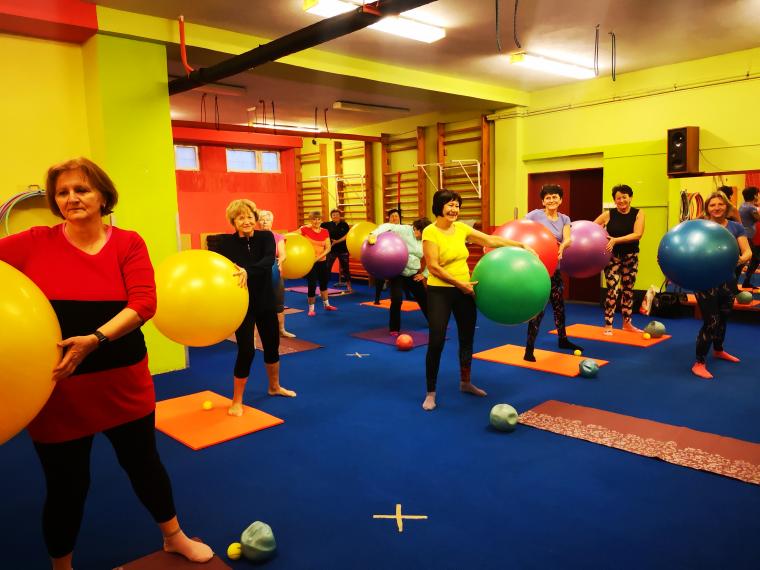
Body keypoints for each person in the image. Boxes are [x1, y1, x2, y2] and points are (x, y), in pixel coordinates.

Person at [0, 158, 213, 569]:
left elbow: (144, 302)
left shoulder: (127, 243)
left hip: (123, 383)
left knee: (144, 465)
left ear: (102, 196)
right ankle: (62, 566)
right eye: (63, 192)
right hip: (60, 390)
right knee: (67, 486)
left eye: (81, 189)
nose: (72, 198)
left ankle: (174, 537)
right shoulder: (34, 242)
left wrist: (95, 339)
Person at [422, 189, 536, 411]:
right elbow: (433, 267)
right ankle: (430, 392)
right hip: (440, 292)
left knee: (467, 337)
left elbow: (490, 239)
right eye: (450, 205)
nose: (454, 209)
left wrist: (521, 245)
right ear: (439, 206)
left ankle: (465, 382)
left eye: (457, 205)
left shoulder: (461, 228)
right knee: (436, 341)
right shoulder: (430, 231)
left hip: (464, 290)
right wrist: (459, 283)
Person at [214, 200, 296, 416]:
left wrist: (246, 271)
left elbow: (269, 261)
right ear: (233, 221)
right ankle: (237, 400)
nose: (247, 221)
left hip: (265, 300)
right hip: (242, 303)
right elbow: (222, 270)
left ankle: (274, 387)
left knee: (272, 345)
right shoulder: (226, 244)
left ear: (255, 218)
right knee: (246, 350)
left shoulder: (266, 237)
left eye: (250, 217)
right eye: (241, 218)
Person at [691, 191, 752, 379]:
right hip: (705, 279)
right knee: (711, 320)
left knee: (724, 316)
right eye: (712, 205)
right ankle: (699, 362)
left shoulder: (735, 227)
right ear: (707, 208)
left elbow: (747, 251)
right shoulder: (699, 226)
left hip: (728, 279)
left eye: (720, 204)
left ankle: (718, 350)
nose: (717, 208)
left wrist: (739, 260)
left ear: (726, 206)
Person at [523, 184, 583, 361]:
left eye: (555, 197)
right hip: (537, 271)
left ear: (561, 200)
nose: (551, 200)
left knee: (559, 307)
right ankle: (529, 349)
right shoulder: (535, 215)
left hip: (554, 270)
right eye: (547, 197)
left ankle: (563, 340)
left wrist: (563, 245)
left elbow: (568, 238)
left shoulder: (564, 219)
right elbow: (521, 229)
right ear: (543, 201)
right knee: (538, 310)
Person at [593, 184, 646, 335]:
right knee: (612, 290)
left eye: (624, 197)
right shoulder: (608, 214)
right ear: (614, 200)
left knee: (628, 290)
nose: (621, 200)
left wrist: (615, 240)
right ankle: (608, 325)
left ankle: (627, 323)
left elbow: (637, 234)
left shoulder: (639, 213)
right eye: (618, 198)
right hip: (612, 258)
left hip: (631, 257)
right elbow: (592, 228)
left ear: (630, 198)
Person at [368, 217, 432, 335]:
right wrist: (374, 234)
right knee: (396, 299)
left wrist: (424, 274)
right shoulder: (405, 230)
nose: (422, 236)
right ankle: (394, 328)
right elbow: (388, 226)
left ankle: (434, 323)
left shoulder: (426, 238)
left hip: (413, 273)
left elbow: (431, 257)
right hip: (398, 272)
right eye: (421, 233)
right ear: (415, 228)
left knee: (423, 298)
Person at [258, 209, 295, 337]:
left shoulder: (278, 237)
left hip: (274, 271)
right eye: (262, 220)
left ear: (272, 222)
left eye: (267, 220)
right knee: (257, 303)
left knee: (278, 302)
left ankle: (281, 330)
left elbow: (283, 254)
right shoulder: (253, 237)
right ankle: (255, 335)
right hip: (258, 273)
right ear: (257, 222)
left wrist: (280, 261)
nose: (264, 222)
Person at [299, 211, 336, 316]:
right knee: (312, 284)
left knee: (324, 283)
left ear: (321, 220)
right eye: (314, 219)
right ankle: (311, 309)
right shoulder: (304, 229)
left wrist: (317, 258)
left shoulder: (325, 231)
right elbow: (290, 236)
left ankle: (327, 305)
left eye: (318, 219)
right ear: (310, 220)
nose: (316, 221)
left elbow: (328, 248)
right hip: (309, 262)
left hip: (321, 261)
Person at [374, 208, 402, 304]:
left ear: (399, 218)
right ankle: (377, 298)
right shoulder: (383, 228)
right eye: (392, 216)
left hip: (398, 257)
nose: (394, 218)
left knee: (400, 278)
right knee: (380, 277)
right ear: (389, 218)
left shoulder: (403, 229)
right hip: (384, 256)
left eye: (396, 216)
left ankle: (405, 295)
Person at [321, 209, 352, 293]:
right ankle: (324, 287)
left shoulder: (344, 224)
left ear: (340, 216)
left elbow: (347, 236)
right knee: (327, 268)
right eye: (333, 215)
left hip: (343, 250)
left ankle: (349, 285)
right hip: (331, 250)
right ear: (331, 216)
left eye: (337, 215)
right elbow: (317, 227)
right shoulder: (326, 225)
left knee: (345, 268)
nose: (335, 216)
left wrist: (337, 241)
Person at [737, 186, 760, 289]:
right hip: (747, 238)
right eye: (758, 194)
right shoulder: (751, 207)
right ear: (755, 195)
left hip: (745, 236)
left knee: (753, 259)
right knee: (749, 260)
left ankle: (746, 282)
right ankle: (740, 283)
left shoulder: (743, 205)